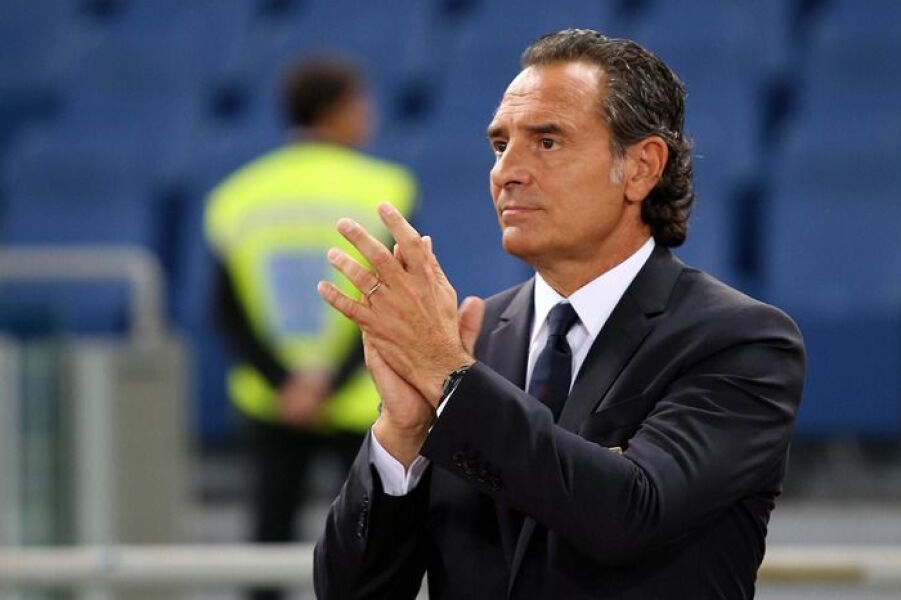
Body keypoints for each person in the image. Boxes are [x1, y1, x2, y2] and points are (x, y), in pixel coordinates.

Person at [313, 29, 805, 599]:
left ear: (642, 167)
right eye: (500, 145)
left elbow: (630, 511)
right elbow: (349, 594)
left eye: (547, 142)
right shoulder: (471, 344)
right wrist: (402, 434)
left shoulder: (742, 341)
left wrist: (449, 377)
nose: (507, 171)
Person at [203, 57, 418, 600]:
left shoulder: (236, 195)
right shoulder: (386, 190)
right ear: (337, 110)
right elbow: (394, 299)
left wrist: (286, 383)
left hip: (271, 400)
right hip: (358, 396)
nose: (369, 115)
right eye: (361, 103)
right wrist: (328, 381)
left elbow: (226, 312)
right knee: (370, 549)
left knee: (267, 544)